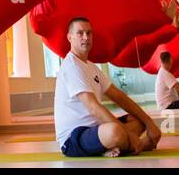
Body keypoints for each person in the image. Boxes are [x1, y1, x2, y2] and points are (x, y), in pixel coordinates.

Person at [55, 17, 162, 158]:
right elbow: (93, 107)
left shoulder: (91, 67)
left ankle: (111, 147)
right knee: (115, 132)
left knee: (137, 120)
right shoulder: (71, 66)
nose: (86, 37)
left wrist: (149, 123)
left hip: (97, 129)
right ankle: (139, 145)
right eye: (80, 33)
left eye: (89, 33)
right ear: (70, 37)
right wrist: (129, 135)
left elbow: (120, 97)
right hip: (73, 138)